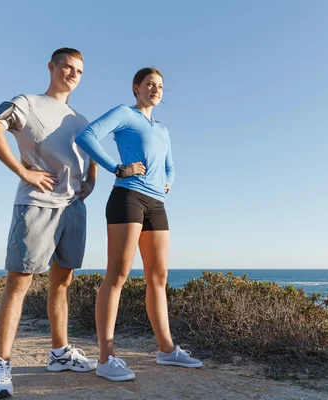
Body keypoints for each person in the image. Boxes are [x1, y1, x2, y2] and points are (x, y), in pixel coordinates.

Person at [0, 48, 98, 399]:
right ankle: (1, 365)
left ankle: (60, 354)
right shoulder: (27, 102)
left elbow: (89, 154)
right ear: (52, 67)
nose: (73, 73)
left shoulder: (80, 118)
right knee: (19, 283)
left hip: (73, 209)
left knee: (62, 283)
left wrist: (90, 180)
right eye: (67, 67)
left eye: (79, 70)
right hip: (36, 205)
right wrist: (23, 170)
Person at [75, 67, 202, 382]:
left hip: (156, 204)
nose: (156, 90)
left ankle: (167, 350)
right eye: (150, 84)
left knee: (158, 277)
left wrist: (167, 182)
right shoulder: (124, 114)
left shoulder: (162, 129)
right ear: (136, 87)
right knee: (117, 275)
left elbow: (170, 166)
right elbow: (86, 136)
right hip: (127, 197)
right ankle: (106, 357)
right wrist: (117, 168)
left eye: (159, 86)